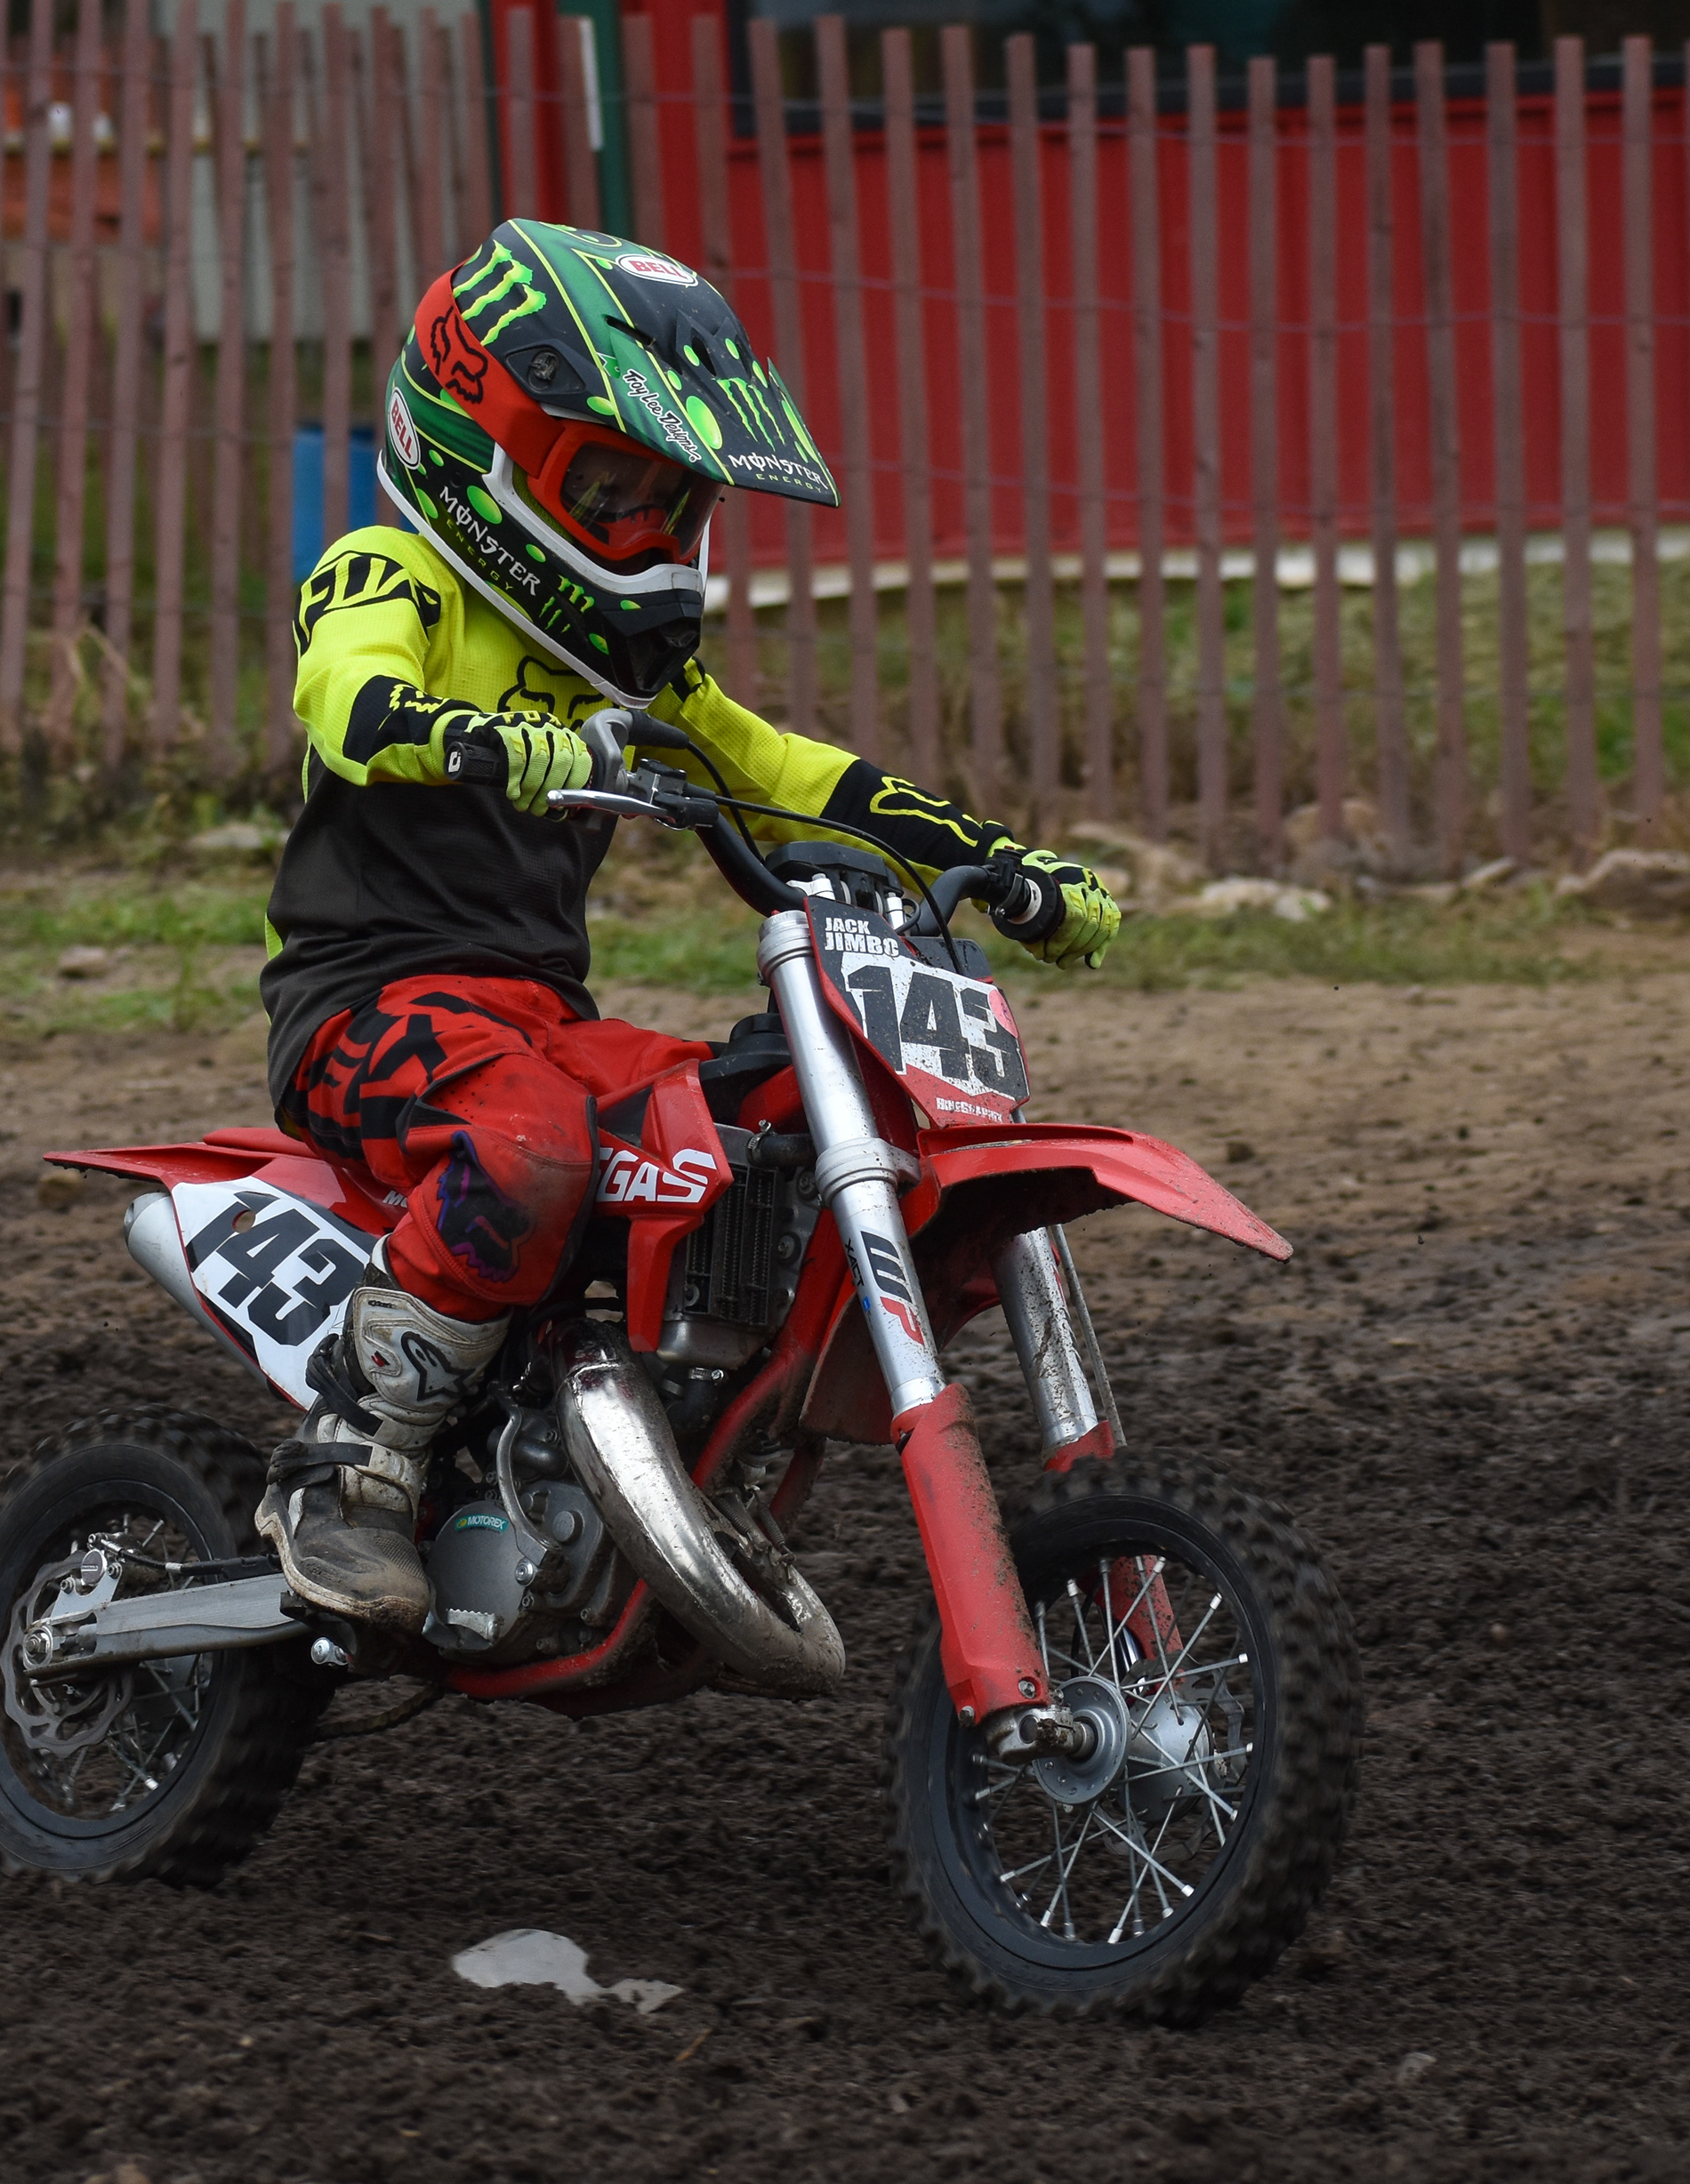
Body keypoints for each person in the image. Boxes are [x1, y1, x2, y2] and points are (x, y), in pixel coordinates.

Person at [257, 220, 1123, 1633]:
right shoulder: (391, 576)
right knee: (533, 1146)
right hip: (369, 1007)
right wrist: (476, 738)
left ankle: (642, 1432)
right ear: (489, 454)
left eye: (676, 504)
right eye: (613, 490)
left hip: (536, 1020)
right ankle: (351, 1462)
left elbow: (790, 779)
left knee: (746, 1131)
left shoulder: (633, 679)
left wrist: (999, 862)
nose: (652, 536)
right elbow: (345, 700)